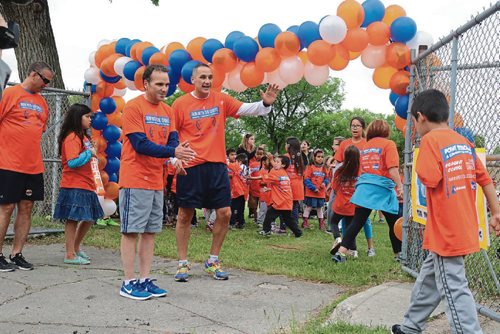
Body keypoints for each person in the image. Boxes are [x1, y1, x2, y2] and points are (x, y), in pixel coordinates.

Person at [391, 89, 500, 334]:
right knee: (429, 279)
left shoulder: (430, 141)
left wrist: (422, 162)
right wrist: (496, 212)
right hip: (462, 227)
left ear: (420, 117)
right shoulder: (464, 142)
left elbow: (430, 178)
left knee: (454, 289)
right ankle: (410, 326)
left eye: (414, 123)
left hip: (446, 232)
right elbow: (485, 180)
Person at [171, 63, 280, 282]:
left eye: (210, 77)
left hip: (217, 166)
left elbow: (248, 108)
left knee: (225, 213)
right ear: (193, 79)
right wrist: (174, 159)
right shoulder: (180, 104)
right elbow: (172, 135)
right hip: (190, 166)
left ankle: (213, 260)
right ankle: (183, 263)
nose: (207, 81)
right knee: (185, 214)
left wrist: (265, 103)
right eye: (202, 77)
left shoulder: (220, 99)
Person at [118, 64, 195, 300]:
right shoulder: (134, 107)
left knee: (150, 232)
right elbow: (141, 145)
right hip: (135, 178)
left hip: (156, 180)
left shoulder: (168, 111)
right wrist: (173, 152)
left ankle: (144, 279)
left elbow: (173, 141)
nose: (164, 88)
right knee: (132, 231)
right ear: (146, 84)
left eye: (166, 84)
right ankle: (128, 282)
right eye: (159, 84)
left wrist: (175, 160)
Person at [0, 61, 53, 271]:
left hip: (32, 165)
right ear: (33, 74)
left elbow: (38, 131)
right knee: (6, 208)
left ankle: (17, 253)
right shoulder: (9, 94)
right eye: (45, 80)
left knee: (26, 207)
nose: (46, 85)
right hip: (8, 163)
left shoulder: (42, 103)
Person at [332, 120, 403, 263]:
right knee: (393, 222)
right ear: (386, 131)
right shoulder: (389, 144)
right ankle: (399, 255)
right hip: (382, 188)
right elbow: (393, 168)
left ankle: (341, 252)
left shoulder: (365, 146)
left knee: (357, 221)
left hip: (364, 187)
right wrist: (400, 186)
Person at [53, 104, 104, 264]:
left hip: (86, 183)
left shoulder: (83, 137)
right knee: (73, 219)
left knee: (89, 218)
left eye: (91, 117)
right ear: (78, 117)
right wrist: (89, 153)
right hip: (74, 183)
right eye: (87, 117)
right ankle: (69, 254)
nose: (91, 120)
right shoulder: (72, 137)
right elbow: (73, 162)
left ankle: (75, 248)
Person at [334, 117, 376, 256]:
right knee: (348, 217)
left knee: (365, 219)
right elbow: (338, 163)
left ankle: (371, 247)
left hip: (362, 182)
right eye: (353, 125)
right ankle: (349, 247)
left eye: (358, 126)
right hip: (348, 184)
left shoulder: (367, 143)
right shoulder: (344, 144)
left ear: (363, 128)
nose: (355, 128)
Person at [258, 155, 302, 238]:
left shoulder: (278, 173)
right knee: (288, 219)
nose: (275, 163)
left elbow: (264, 178)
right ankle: (298, 233)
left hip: (281, 202)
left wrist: (251, 177)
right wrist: (269, 189)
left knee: (269, 215)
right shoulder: (283, 173)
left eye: (277, 162)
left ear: (283, 165)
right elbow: (278, 186)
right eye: (275, 161)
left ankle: (266, 231)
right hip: (286, 201)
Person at [328, 146, 360, 258]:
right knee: (351, 228)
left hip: (340, 204)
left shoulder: (340, 170)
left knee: (333, 222)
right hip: (353, 205)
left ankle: (337, 239)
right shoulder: (360, 171)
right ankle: (353, 250)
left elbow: (335, 187)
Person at [302, 149, 329, 230]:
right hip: (311, 192)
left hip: (320, 193)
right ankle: (305, 222)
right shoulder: (310, 167)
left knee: (319, 208)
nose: (320, 158)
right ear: (314, 157)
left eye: (322, 157)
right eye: (318, 156)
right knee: (309, 207)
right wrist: (313, 188)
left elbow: (327, 178)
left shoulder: (324, 168)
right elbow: (306, 179)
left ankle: (321, 223)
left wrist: (324, 183)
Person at [284, 137, 305, 231]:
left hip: (288, 185)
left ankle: (283, 226)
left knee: (284, 206)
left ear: (288, 146)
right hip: (298, 185)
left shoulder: (285, 157)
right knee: (295, 206)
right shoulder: (300, 157)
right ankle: (295, 226)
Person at [228, 153, 248, 229]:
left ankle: (232, 223)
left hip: (237, 191)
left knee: (233, 208)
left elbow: (227, 163)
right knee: (241, 208)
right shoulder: (246, 168)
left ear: (239, 162)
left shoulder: (237, 166)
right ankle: (241, 223)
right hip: (243, 191)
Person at [247, 147, 264, 222]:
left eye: (261, 154)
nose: (259, 156)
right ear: (255, 154)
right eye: (258, 154)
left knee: (262, 205)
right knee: (254, 205)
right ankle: (255, 218)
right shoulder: (252, 164)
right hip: (253, 187)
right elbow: (248, 175)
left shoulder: (265, 164)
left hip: (262, 188)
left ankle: (261, 218)